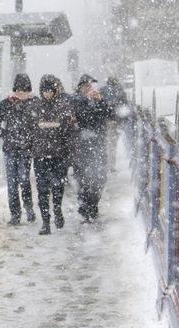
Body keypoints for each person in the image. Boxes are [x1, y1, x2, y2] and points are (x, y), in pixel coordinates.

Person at [28, 74, 76, 234]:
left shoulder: (63, 107)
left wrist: (68, 151)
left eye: (50, 91)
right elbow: (28, 131)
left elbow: (70, 131)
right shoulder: (34, 108)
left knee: (58, 187)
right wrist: (32, 148)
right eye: (44, 91)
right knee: (42, 189)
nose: (47, 94)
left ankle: (57, 209)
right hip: (41, 155)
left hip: (58, 155)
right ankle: (46, 222)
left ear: (55, 91)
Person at [0, 73, 36, 225]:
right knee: (12, 184)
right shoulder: (6, 104)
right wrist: (5, 134)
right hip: (10, 149)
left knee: (24, 181)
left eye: (24, 89)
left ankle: (29, 209)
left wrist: (32, 138)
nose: (21, 93)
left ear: (28, 90)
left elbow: (40, 124)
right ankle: (15, 215)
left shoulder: (34, 103)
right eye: (18, 89)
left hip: (26, 150)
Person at [72, 74, 114, 223]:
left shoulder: (100, 100)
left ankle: (93, 205)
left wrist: (101, 101)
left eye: (91, 86)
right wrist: (86, 99)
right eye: (85, 86)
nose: (88, 89)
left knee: (99, 178)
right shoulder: (76, 100)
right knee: (82, 179)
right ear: (80, 88)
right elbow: (77, 114)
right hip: (81, 146)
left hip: (98, 145)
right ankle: (84, 209)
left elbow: (111, 115)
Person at [101, 76, 130, 173]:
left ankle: (102, 163)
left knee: (103, 143)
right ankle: (110, 165)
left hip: (103, 121)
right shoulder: (120, 92)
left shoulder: (102, 90)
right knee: (112, 144)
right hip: (114, 121)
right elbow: (124, 108)